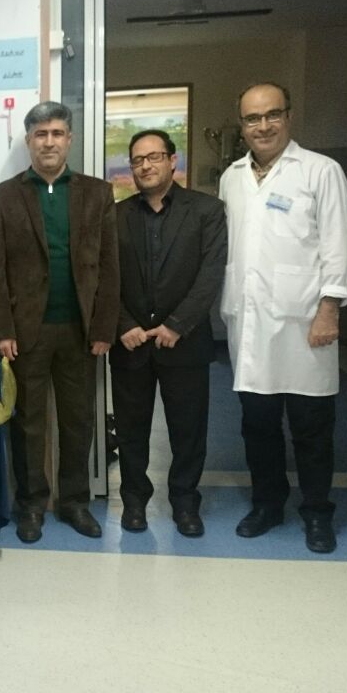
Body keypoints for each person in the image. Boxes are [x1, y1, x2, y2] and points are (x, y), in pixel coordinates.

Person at [219, 82, 347, 554]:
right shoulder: (232, 177)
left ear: (289, 117)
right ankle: (267, 504)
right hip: (249, 322)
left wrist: (330, 309)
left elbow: (339, 244)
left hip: (306, 323)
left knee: (311, 427)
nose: (263, 126)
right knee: (257, 425)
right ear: (242, 126)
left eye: (272, 115)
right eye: (252, 119)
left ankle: (317, 513)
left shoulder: (320, 171)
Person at [0, 100, 120, 544]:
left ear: (69, 140)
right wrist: (2, 329)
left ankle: (75, 502)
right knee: (28, 423)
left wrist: (104, 327)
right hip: (27, 334)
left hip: (81, 331)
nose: (49, 142)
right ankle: (31, 505)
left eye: (57, 133)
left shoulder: (97, 193)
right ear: (28, 141)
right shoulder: (4, 196)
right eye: (40, 135)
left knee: (79, 421)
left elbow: (110, 266)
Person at [110, 129, 227, 537]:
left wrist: (177, 324)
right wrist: (123, 324)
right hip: (131, 345)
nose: (146, 166)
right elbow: (105, 279)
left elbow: (210, 274)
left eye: (154, 157)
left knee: (188, 431)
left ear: (173, 161)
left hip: (186, 342)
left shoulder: (206, 211)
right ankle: (134, 502)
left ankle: (185, 503)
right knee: (131, 430)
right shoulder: (115, 217)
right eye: (137, 160)